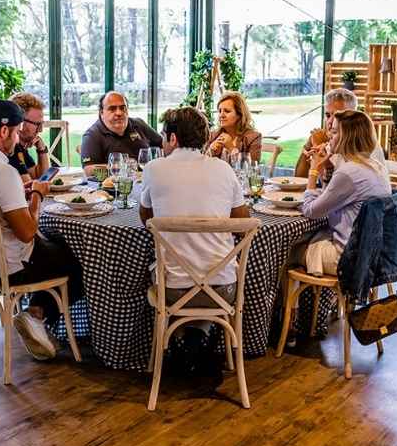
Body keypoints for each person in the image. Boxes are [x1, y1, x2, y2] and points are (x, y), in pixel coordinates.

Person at [0, 99, 84, 361]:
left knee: (55, 250)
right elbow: (27, 233)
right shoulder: (2, 171)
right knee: (79, 263)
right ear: (3, 132)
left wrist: (20, 194)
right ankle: (36, 315)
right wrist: (36, 194)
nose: (16, 138)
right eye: (15, 130)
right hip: (10, 267)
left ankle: (34, 314)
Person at [140, 106, 249, 309]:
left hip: (172, 289)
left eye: (163, 136)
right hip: (223, 290)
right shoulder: (223, 169)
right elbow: (242, 224)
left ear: (173, 138)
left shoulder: (154, 169)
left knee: (143, 272)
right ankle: (201, 332)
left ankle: (178, 332)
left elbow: (146, 219)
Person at [299, 109, 392, 277]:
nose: (329, 137)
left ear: (346, 137)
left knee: (288, 250)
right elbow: (332, 198)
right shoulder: (373, 165)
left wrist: (314, 170)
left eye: (334, 132)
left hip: (348, 259)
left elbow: (311, 211)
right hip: (373, 255)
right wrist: (327, 168)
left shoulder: (348, 172)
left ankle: (288, 303)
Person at [295, 87, 386, 178]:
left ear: (352, 117)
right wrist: (308, 145)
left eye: (338, 116)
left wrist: (320, 147)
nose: (330, 121)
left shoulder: (364, 144)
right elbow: (299, 178)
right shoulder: (331, 140)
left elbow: (340, 184)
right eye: (327, 115)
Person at [81, 91, 162, 175]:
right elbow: (88, 170)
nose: (119, 113)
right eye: (112, 109)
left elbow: (163, 145)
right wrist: (122, 166)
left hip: (148, 181)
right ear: (101, 112)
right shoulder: (92, 135)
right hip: (115, 185)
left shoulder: (138, 124)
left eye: (123, 108)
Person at [206, 91, 262, 163]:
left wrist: (231, 148)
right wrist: (210, 152)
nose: (221, 115)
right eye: (220, 111)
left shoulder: (253, 137)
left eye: (227, 111)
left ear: (239, 114)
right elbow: (201, 165)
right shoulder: (213, 135)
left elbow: (252, 168)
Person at [8, 92, 50, 183]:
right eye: (37, 124)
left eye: (41, 124)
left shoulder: (20, 147)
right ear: (20, 123)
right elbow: (31, 188)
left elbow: (40, 176)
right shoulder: (11, 149)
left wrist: (41, 150)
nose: (40, 130)